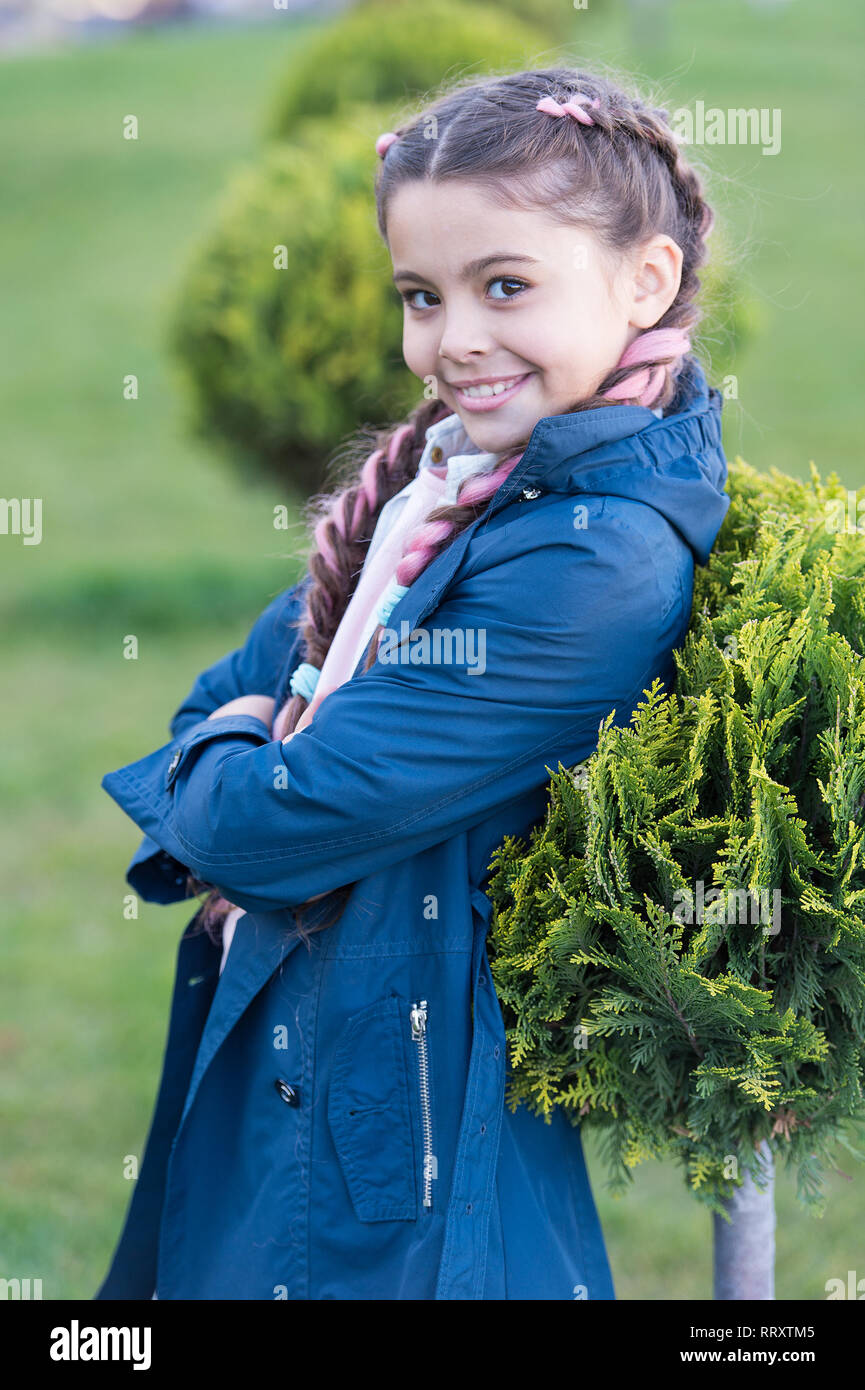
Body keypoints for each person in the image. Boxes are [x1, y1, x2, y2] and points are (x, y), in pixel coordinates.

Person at [95, 65, 730, 1300]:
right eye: (420, 296)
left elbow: (269, 824)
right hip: (310, 1042)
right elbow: (231, 689)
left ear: (645, 281)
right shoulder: (440, 489)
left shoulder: (591, 560)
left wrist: (228, 754)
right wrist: (233, 741)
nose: (452, 341)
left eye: (505, 286)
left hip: (391, 1124)